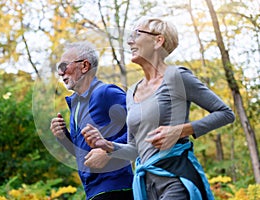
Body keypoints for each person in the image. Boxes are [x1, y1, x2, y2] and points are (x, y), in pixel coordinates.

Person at [81, 17, 235, 200]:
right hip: (147, 186)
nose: (130, 41)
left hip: (176, 177)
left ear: (158, 40)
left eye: (137, 34)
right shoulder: (132, 92)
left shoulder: (177, 77)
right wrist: (108, 145)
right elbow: (135, 149)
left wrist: (180, 130)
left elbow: (226, 114)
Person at [50, 41, 134, 200]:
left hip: (117, 189)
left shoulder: (106, 93)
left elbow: (142, 127)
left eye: (63, 66)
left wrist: (109, 152)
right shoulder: (76, 105)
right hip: (93, 191)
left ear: (84, 66)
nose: (60, 73)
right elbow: (81, 154)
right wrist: (63, 137)